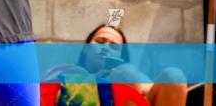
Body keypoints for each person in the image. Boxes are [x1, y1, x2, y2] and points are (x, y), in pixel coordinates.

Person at [46, 24, 187, 106]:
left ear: (121, 57)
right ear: (86, 48)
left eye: (114, 46)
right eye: (100, 41)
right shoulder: (66, 69)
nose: (106, 47)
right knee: (77, 75)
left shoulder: (128, 74)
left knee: (173, 76)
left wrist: (128, 79)